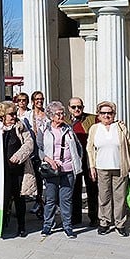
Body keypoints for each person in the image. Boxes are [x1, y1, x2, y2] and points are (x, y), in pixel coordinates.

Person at [86, 100, 130, 236]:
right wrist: (92, 166)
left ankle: (120, 224)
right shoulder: (94, 128)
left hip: (119, 166)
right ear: (98, 114)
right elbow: (90, 148)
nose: (106, 115)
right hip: (101, 166)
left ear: (114, 114)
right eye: (103, 113)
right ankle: (104, 222)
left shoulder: (120, 127)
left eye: (109, 113)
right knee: (104, 196)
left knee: (119, 197)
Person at [38, 100, 83, 238]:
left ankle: (67, 226)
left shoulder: (68, 129)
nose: (61, 116)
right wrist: (48, 160)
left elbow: (78, 146)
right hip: (51, 169)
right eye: (58, 114)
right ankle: (47, 225)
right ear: (51, 116)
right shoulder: (44, 130)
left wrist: (77, 161)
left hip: (68, 169)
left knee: (66, 199)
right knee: (50, 199)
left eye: (62, 113)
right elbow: (39, 149)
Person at [0, 101, 35, 237]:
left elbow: (29, 143)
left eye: (14, 113)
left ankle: (22, 226)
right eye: (10, 114)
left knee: (19, 198)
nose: (13, 116)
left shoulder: (20, 126)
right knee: (4, 198)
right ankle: (1, 224)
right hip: (1, 171)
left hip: (17, 169)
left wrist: (18, 156)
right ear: (3, 115)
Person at [69, 96, 99, 227]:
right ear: (69, 108)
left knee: (92, 188)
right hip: (73, 159)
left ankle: (94, 217)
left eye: (79, 107)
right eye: (74, 107)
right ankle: (75, 217)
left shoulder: (92, 119)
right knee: (74, 189)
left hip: (89, 159)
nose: (77, 109)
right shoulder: (65, 120)